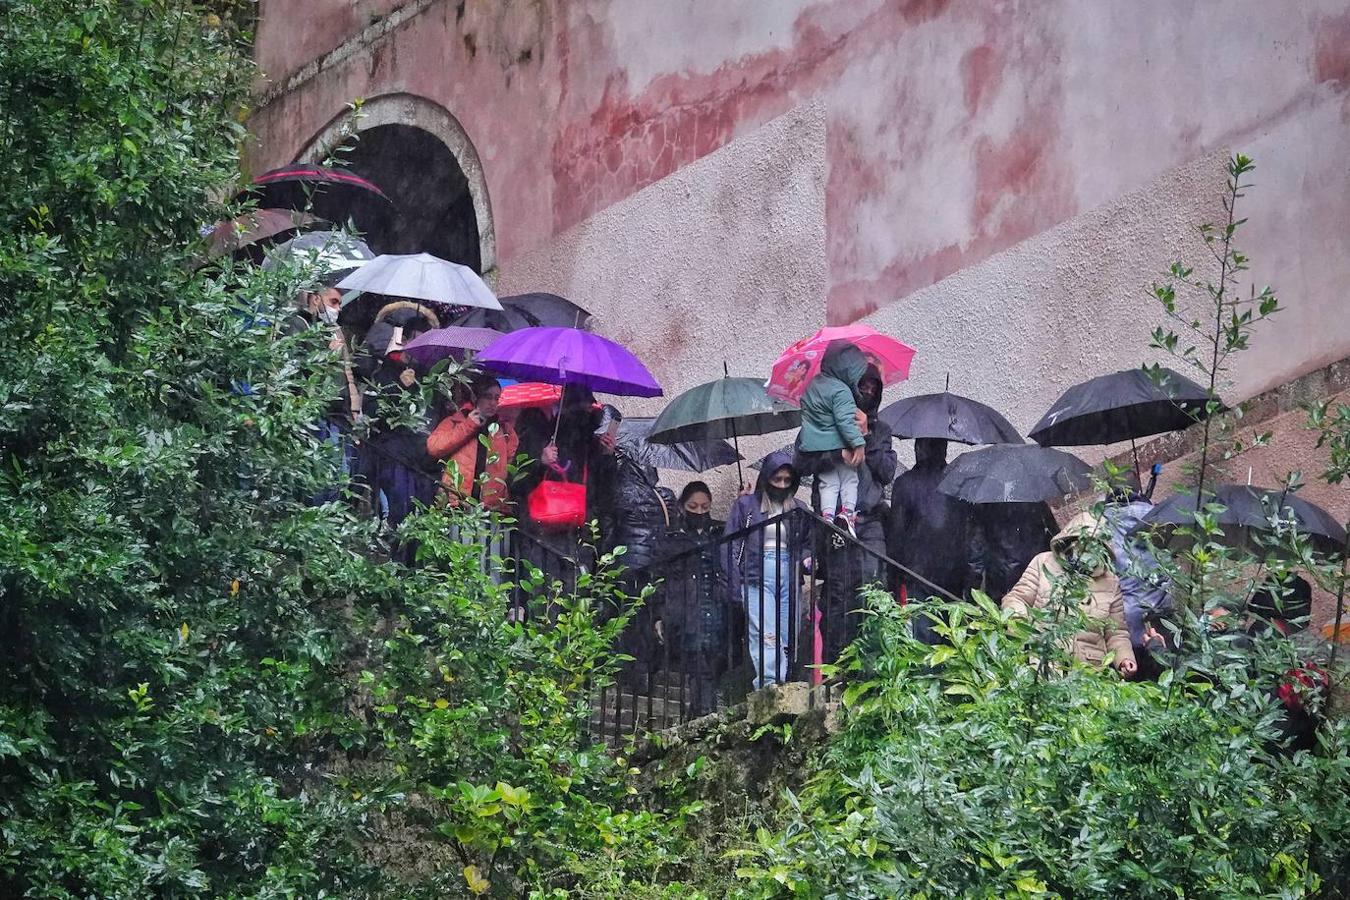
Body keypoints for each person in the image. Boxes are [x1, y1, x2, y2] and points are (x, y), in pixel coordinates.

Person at [821, 366, 897, 664]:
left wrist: (865, 435)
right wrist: (836, 449)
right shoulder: (826, 424)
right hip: (837, 524)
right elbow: (803, 460)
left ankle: (869, 671)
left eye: (873, 386)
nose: (867, 390)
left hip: (870, 523)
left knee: (874, 593)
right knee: (838, 597)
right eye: (861, 385)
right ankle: (834, 672)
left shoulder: (882, 431)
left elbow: (886, 472)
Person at [1001, 512, 1138, 676]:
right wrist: (1019, 624)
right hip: (1043, 661)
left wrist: (1124, 659)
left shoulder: (1110, 582)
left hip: (1090, 672)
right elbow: (1017, 598)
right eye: (1083, 544)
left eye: (1094, 546)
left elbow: (1116, 632)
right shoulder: (1043, 562)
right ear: (1070, 541)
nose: (1086, 551)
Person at [724, 451, 810, 690]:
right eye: (777, 479)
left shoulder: (798, 508)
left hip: (789, 572)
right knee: (764, 630)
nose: (782, 485)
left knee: (785, 629)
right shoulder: (747, 505)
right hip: (756, 571)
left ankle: (780, 679)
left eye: (786, 480)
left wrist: (806, 559)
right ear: (766, 478)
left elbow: (806, 543)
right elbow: (730, 544)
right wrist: (734, 582)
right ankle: (768, 681)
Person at [356, 303, 441, 531]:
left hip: (418, 458)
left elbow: (430, 413)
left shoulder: (426, 376)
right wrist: (400, 389)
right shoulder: (385, 369)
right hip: (389, 457)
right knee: (396, 513)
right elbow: (374, 411)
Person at [653, 482, 732, 718]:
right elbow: (659, 578)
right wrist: (659, 614)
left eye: (705, 507)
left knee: (713, 659)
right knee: (696, 661)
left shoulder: (719, 532)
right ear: (682, 506)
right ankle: (703, 712)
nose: (699, 512)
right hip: (685, 607)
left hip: (715, 604)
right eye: (693, 506)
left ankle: (700, 711)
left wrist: (741, 504)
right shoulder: (671, 537)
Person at [886, 438, 972, 642]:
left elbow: (896, 537)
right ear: (944, 449)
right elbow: (970, 532)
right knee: (953, 640)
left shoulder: (905, 484)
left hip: (918, 574)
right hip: (955, 574)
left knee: (922, 642)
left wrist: (893, 581)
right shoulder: (960, 482)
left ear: (918, 448)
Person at [797, 341, 868, 532]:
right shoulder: (842, 391)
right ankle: (847, 513)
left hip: (815, 446)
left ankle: (827, 516)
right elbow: (845, 421)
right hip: (839, 443)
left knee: (828, 482)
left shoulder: (811, 386)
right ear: (848, 370)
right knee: (850, 479)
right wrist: (859, 443)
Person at [1102, 488, 1173, 678]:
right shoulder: (1160, 517)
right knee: (1164, 673)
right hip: (1161, 614)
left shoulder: (1101, 523)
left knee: (1133, 675)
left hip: (1125, 620)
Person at [425, 373, 518, 513]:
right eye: (488, 397)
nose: (493, 403)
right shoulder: (456, 421)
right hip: (456, 502)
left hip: (490, 508)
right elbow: (434, 447)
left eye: (496, 398)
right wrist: (468, 425)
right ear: (475, 397)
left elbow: (511, 465)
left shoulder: (504, 430)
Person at [968, 501, 1060, 599]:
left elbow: (977, 547)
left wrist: (971, 590)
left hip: (1002, 576)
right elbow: (1055, 536)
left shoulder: (986, 503)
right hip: (1034, 570)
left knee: (1007, 608)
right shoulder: (1035, 499)